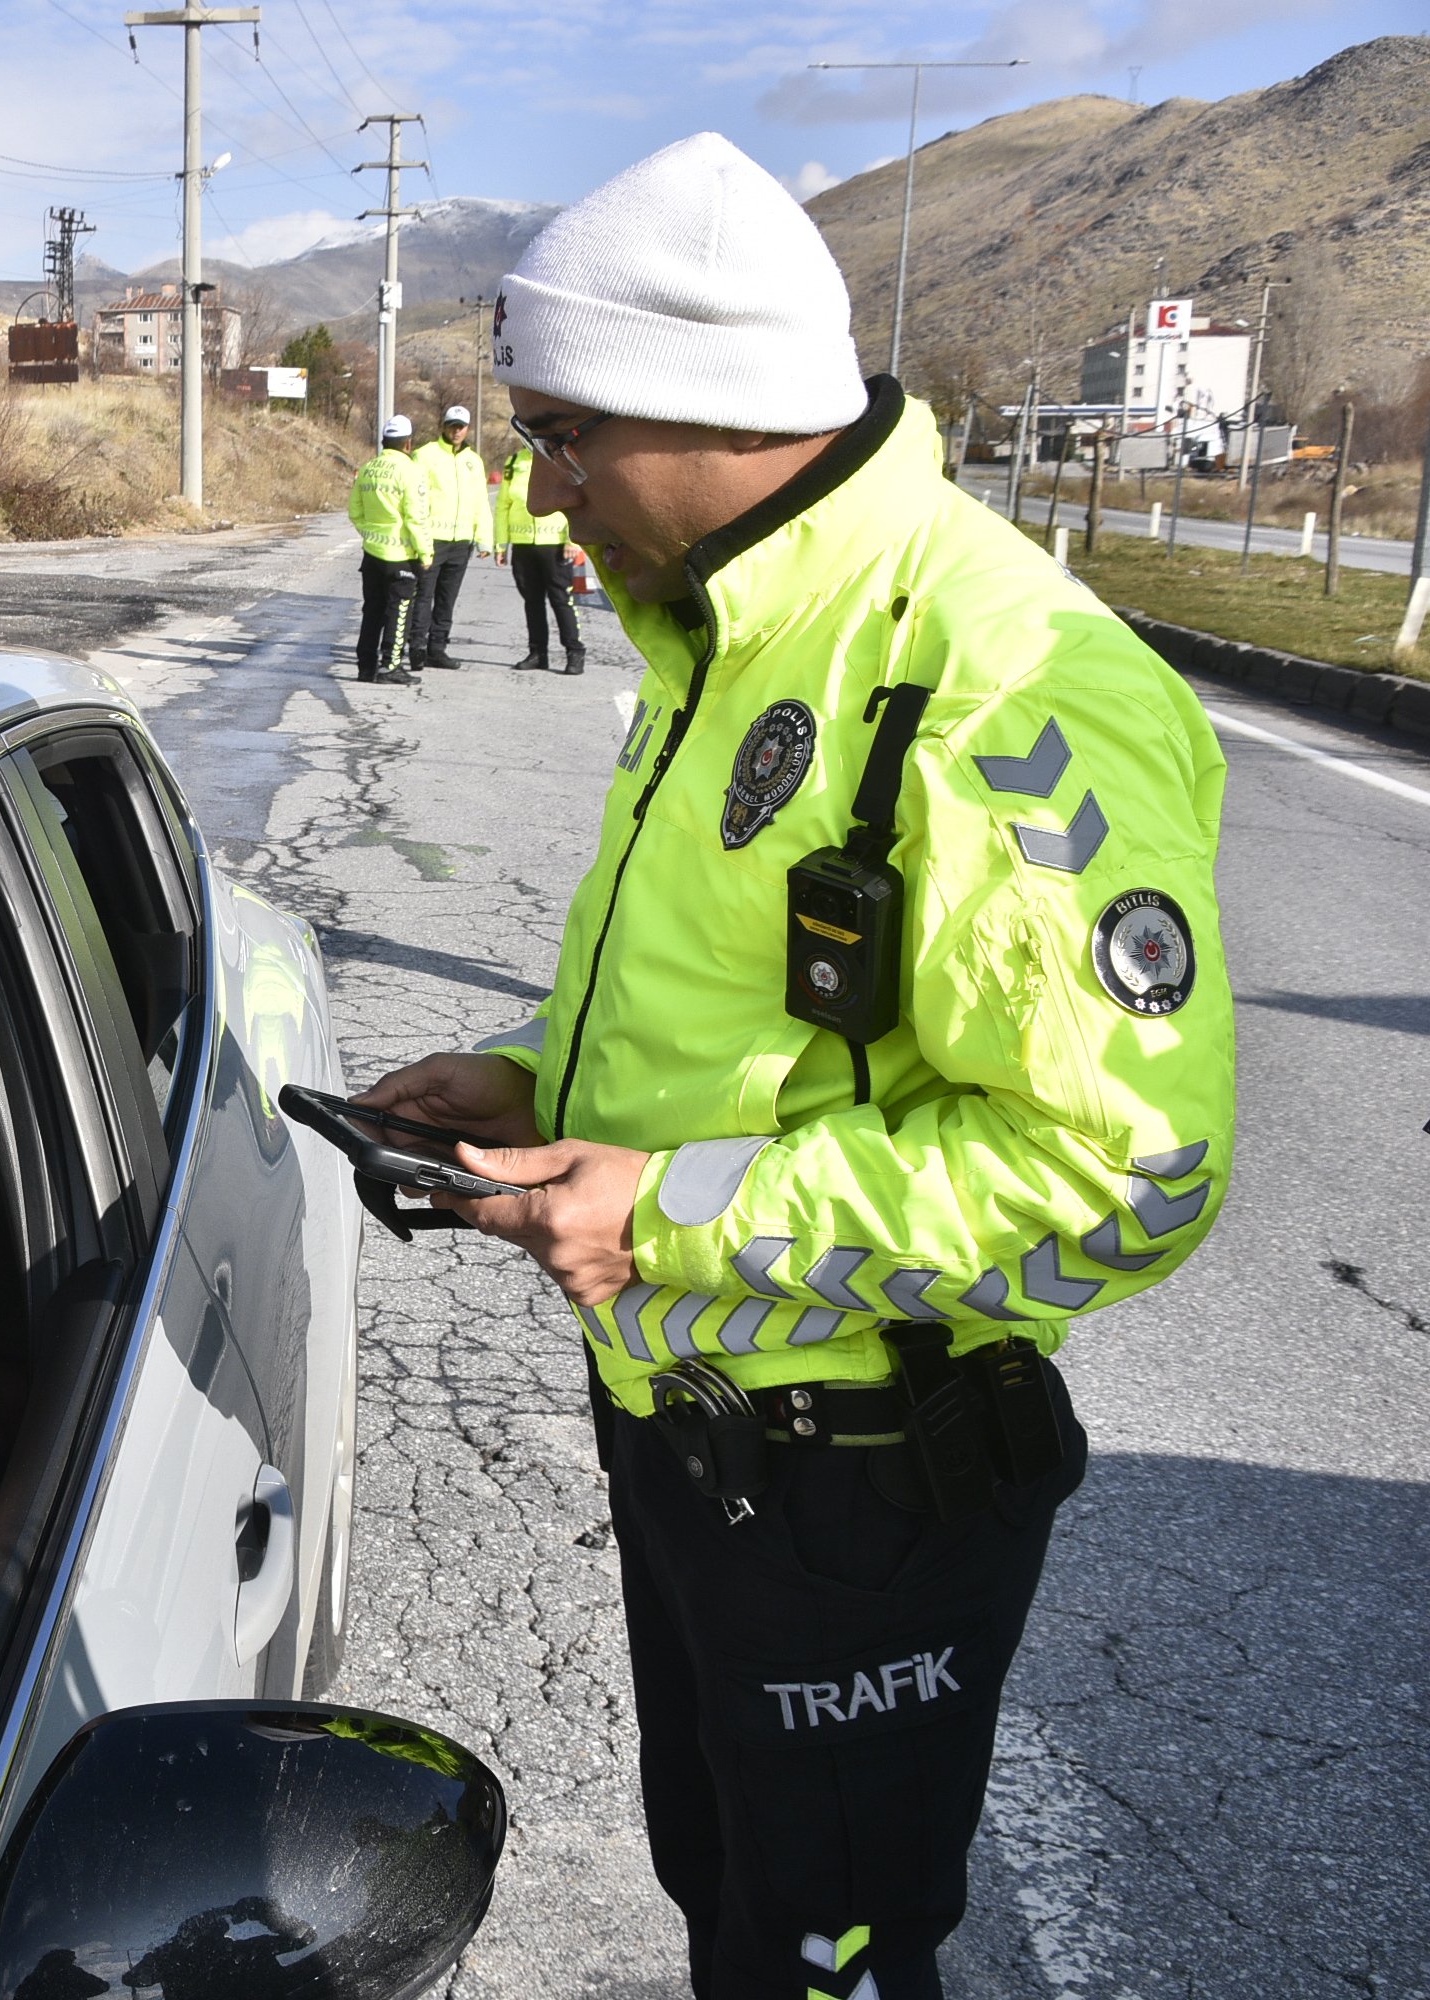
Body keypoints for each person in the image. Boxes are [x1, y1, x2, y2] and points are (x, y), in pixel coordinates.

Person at [355, 132, 1233, 2000]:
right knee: (729, 1899)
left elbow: (1123, 1172)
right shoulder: (726, 627)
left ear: (700, 408)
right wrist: (535, 1081)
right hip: (692, 1421)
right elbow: (757, 1005)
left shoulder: (1005, 677)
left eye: (561, 434)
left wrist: (666, 1211)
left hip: (858, 1479)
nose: (538, 484)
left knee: (820, 1955)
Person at [411, 404, 493, 671]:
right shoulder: (424, 455)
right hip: (432, 539)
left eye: (461, 426)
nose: (457, 431)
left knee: (447, 598)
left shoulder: (474, 461)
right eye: (452, 425)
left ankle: (438, 648)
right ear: (443, 426)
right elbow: (413, 498)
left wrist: (484, 538)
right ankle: (417, 647)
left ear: (468, 428)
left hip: (461, 542)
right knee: (424, 596)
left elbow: (480, 501)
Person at [348, 414, 427, 685]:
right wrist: (425, 553)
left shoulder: (368, 469)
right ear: (408, 444)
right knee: (399, 610)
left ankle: (365, 667)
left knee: (372, 611)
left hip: (372, 555)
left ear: (384, 443)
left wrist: (370, 535)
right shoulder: (411, 471)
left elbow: (355, 512)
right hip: (401, 557)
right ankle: (390, 667)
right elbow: (416, 517)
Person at [495, 440, 585, 674]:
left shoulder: (559, 459)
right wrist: (500, 544)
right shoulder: (515, 462)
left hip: (554, 545)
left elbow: (575, 499)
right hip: (523, 545)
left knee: (561, 601)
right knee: (532, 602)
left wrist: (572, 540)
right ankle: (537, 654)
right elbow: (503, 505)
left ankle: (574, 653)